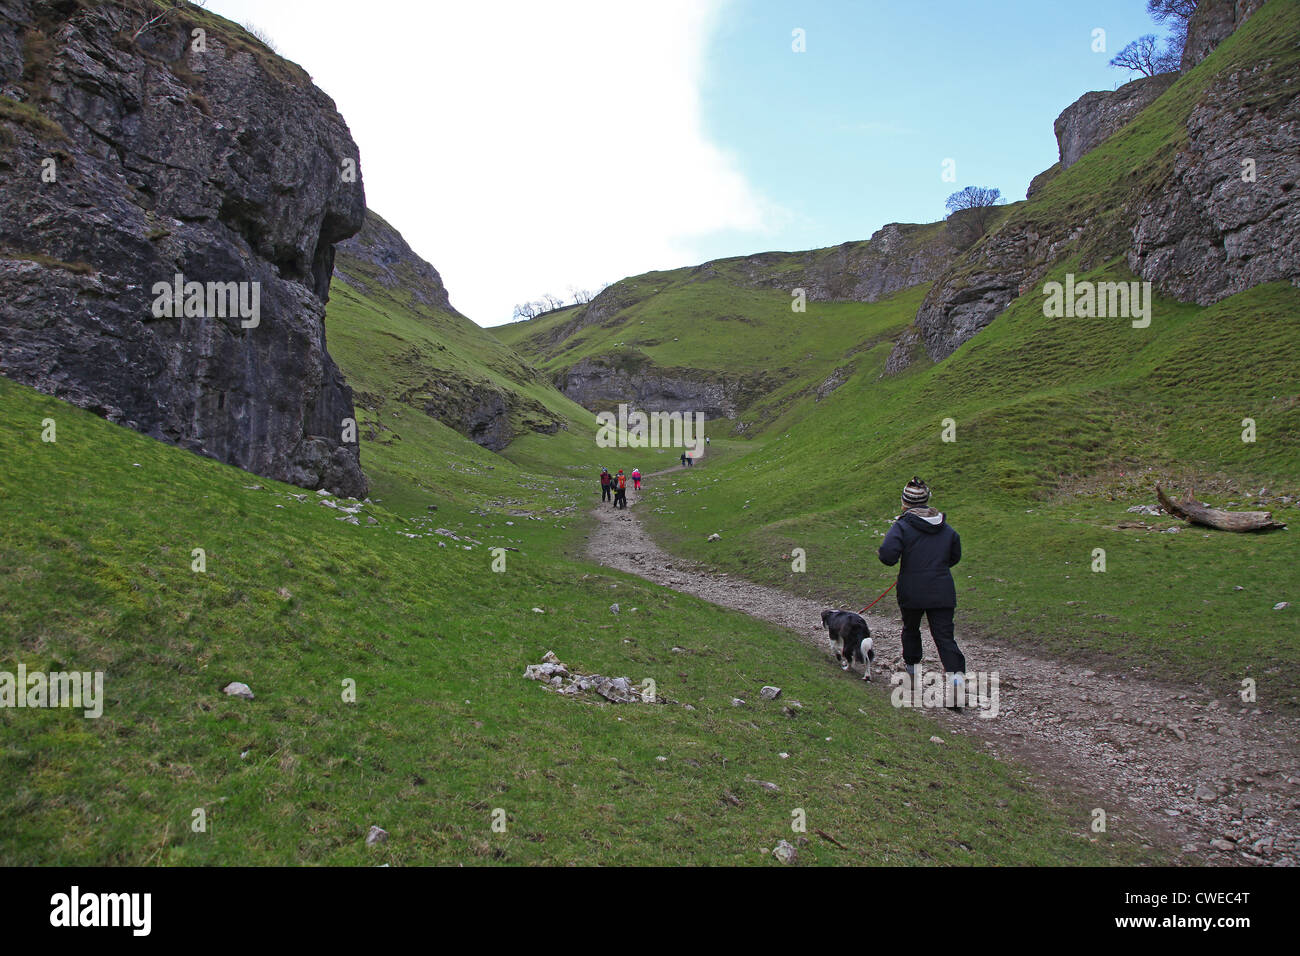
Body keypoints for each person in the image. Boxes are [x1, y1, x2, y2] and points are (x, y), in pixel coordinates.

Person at [877, 476, 966, 710]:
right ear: (927, 501)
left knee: (911, 631)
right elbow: (954, 557)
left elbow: (887, 556)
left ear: (904, 503)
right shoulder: (946, 529)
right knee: (945, 639)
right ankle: (957, 690)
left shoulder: (902, 526)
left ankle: (912, 681)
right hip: (942, 591)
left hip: (912, 591)